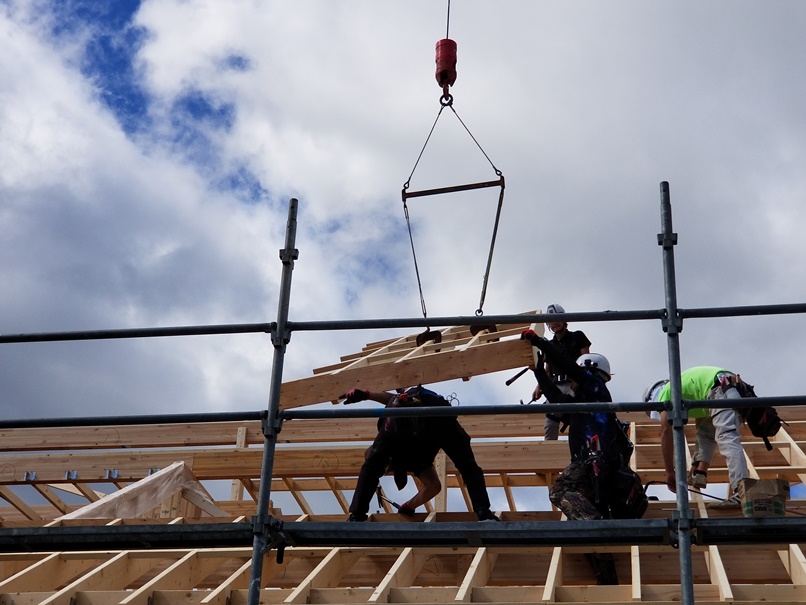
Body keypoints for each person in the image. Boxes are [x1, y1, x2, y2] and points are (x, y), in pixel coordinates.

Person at [521, 329, 646, 585]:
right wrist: (537, 371)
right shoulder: (582, 403)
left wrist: (540, 342)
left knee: (559, 491)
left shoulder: (595, 388)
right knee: (589, 537)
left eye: (577, 374)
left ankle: (597, 524)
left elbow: (568, 365)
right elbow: (555, 399)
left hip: (595, 460)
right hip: (596, 465)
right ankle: (608, 583)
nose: (572, 380)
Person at [343, 385, 499, 522]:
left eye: (385, 470)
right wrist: (409, 506)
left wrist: (367, 395)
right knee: (468, 466)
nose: (386, 472)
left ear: (388, 464)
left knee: (371, 467)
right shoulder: (413, 460)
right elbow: (434, 486)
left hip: (432, 417)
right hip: (438, 417)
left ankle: (357, 515)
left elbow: (370, 468)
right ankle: (483, 513)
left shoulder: (387, 443)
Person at [646, 367, 754, 507]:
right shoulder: (692, 391)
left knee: (727, 438)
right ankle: (707, 476)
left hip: (721, 389)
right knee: (712, 433)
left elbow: (666, 431)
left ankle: (740, 491)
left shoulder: (667, 393)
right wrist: (699, 469)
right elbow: (705, 434)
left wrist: (669, 472)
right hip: (729, 386)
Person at [533, 304, 591, 440]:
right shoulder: (549, 346)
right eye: (551, 321)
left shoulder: (577, 336)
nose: (555, 323)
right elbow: (548, 371)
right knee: (550, 422)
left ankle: (582, 453)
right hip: (556, 387)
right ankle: (549, 454)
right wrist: (539, 387)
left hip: (574, 384)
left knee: (578, 419)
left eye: (557, 318)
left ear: (565, 320)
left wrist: (579, 381)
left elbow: (586, 360)